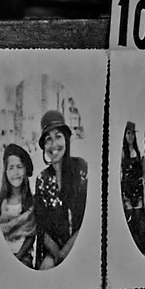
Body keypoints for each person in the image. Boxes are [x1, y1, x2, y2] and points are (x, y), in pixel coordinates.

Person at [33, 110, 87, 270]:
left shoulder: (81, 169)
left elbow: (90, 216)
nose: (53, 144)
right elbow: (40, 225)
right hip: (52, 252)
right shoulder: (41, 179)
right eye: (48, 139)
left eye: (58, 136)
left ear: (66, 140)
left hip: (81, 246)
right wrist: (57, 255)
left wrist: (67, 252)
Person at [0, 143, 39, 269]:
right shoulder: (0, 202)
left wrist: (17, 258)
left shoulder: (30, 203)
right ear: (6, 171)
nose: (15, 172)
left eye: (19, 167)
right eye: (11, 167)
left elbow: (31, 236)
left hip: (23, 257)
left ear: (25, 170)